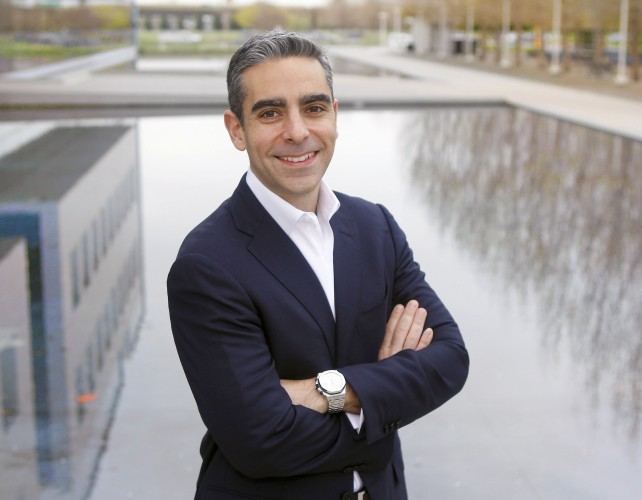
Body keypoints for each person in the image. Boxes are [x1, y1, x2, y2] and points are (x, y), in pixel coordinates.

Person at [167, 31, 469, 500]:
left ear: (334, 115)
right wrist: (382, 406)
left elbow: (449, 359)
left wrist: (327, 392)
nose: (297, 131)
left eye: (313, 107)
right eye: (270, 113)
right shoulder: (207, 264)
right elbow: (261, 442)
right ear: (236, 129)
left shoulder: (375, 227)